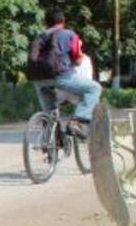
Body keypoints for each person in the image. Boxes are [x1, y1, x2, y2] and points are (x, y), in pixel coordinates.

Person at [30, 9, 101, 137]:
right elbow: (78, 60)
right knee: (94, 88)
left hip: (38, 79)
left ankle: (50, 143)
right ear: (63, 21)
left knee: (50, 114)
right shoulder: (69, 34)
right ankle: (78, 121)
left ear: (46, 23)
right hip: (60, 77)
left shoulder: (40, 36)